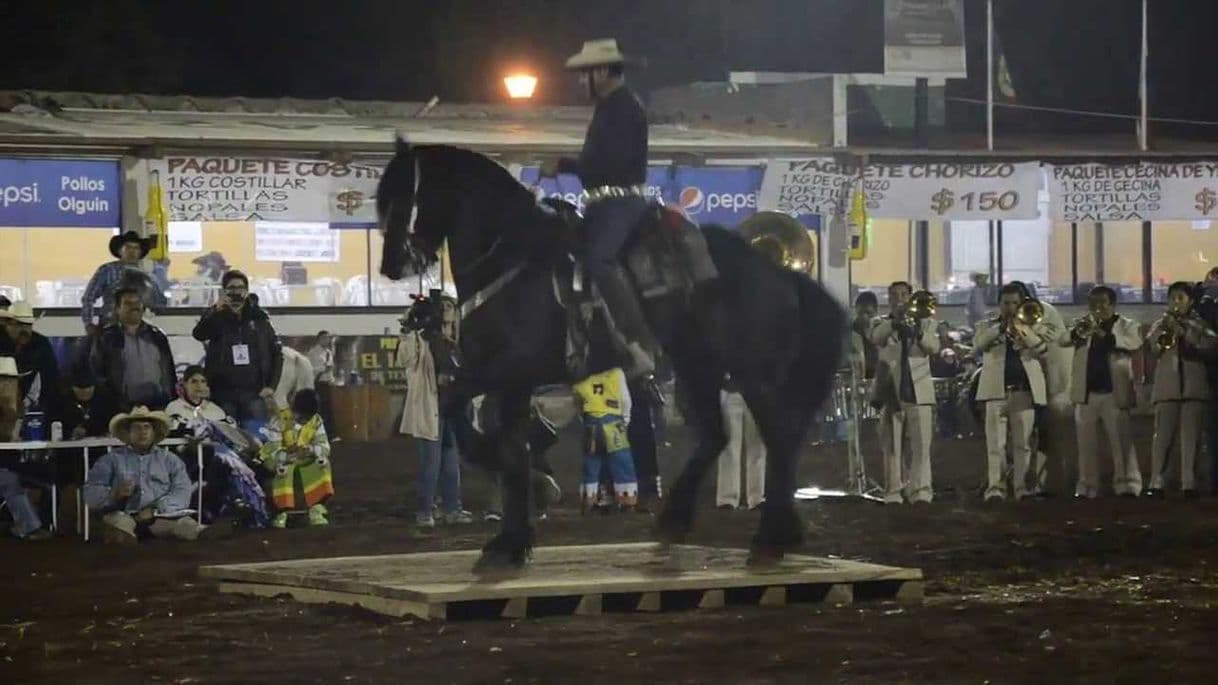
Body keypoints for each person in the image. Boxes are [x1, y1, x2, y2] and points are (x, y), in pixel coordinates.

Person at [543, 38, 657, 377]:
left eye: (586, 74)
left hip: (621, 203)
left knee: (598, 259)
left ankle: (640, 344)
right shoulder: (610, 107)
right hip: (603, 205)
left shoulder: (624, 107)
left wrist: (564, 164)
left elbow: (610, 163)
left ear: (604, 71)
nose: (581, 82)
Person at [83, 406, 215, 544]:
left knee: (186, 525)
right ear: (128, 433)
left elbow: (182, 491)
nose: (143, 432)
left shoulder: (170, 460)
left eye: (147, 427)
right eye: (137, 428)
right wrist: (114, 494)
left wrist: (155, 509)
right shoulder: (110, 460)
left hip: (161, 517)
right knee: (119, 528)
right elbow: (91, 492)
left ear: (154, 432)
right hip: (123, 514)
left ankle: (202, 533)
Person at [396, 295, 473, 528]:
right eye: (445, 307)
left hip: (451, 409)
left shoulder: (457, 341)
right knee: (431, 462)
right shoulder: (422, 341)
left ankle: (452, 508)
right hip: (431, 409)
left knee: (450, 462)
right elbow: (404, 359)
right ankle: (425, 511)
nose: (449, 310)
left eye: (451, 306)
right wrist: (408, 329)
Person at [1062, 286, 1144, 499]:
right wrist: (1078, 331)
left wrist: (1101, 332)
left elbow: (1133, 343)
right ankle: (1087, 486)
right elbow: (1062, 340)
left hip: (1114, 392)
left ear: (1112, 304)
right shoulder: (1083, 324)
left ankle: (1128, 484)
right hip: (1086, 392)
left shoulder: (1127, 324)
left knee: (1121, 441)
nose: (1096, 308)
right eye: (1092, 304)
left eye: (1101, 303)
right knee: (1086, 444)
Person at [974, 285, 1051, 502]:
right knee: (995, 445)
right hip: (994, 392)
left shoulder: (1033, 325)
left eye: (1014, 303)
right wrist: (1000, 329)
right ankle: (995, 489)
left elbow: (1042, 350)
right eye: (1006, 303)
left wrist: (1022, 330)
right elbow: (978, 346)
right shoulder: (986, 325)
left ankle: (1021, 488)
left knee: (1023, 444)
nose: (1010, 307)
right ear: (999, 304)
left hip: (1023, 392)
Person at [869, 281, 940, 504]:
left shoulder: (927, 323)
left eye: (903, 295)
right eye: (894, 295)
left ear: (910, 298)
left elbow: (932, 348)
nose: (898, 299)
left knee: (921, 444)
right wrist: (896, 320)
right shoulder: (880, 322)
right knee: (892, 445)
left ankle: (921, 490)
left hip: (919, 388)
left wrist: (917, 331)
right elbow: (877, 338)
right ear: (888, 299)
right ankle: (893, 491)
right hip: (891, 390)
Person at [1145, 282, 1217, 497]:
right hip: (1167, 388)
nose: (1176, 303)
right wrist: (1166, 329)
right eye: (1173, 298)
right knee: (1162, 439)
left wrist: (1184, 331)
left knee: (1191, 439)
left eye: (1181, 298)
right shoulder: (1160, 323)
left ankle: (1189, 483)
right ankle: (1156, 482)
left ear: (1190, 302)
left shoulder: (1200, 324)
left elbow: (1210, 344)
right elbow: (1154, 348)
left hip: (1194, 388)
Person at [191, 270, 282, 430]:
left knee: (258, 439)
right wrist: (215, 310)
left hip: (255, 393)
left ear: (246, 291)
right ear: (224, 291)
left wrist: (271, 386)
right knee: (226, 441)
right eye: (231, 288)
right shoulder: (217, 315)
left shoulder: (260, 318)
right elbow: (199, 334)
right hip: (223, 393)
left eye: (240, 288)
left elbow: (277, 354)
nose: (236, 293)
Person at [1007, 281, 1072, 498]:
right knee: (1029, 435)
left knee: (1047, 433)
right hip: (1037, 382)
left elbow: (1046, 342)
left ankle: (1046, 482)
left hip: (1055, 382)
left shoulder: (1043, 311)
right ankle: (1028, 480)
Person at [86, 286, 177, 411]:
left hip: (158, 407)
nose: (134, 307)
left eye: (137, 303)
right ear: (117, 309)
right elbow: (97, 374)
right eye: (128, 303)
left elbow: (170, 373)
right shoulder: (106, 338)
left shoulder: (157, 336)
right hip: (121, 409)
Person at [259, 389, 333, 528]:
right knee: (283, 469)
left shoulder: (316, 421)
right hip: (282, 461)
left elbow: (325, 447)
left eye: (307, 418)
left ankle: (316, 508)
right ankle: (281, 512)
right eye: (301, 417)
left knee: (322, 463)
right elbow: (270, 452)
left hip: (304, 459)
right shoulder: (278, 421)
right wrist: (288, 455)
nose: (304, 421)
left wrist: (310, 450)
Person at [573, 366, 638, 511]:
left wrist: (584, 419)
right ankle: (627, 500)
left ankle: (589, 499)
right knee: (622, 461)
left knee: (591, 462)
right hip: (613, 421)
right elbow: (625, 399)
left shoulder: (581, 374)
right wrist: (626, 419)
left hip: (591, 421)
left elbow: (577, 400)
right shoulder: (616, 372)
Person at [81, 230, 165, 333]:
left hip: (139, 327)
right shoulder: (107, 270)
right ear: (120, 251)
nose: (132, 251)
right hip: (110, 325)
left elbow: (160, 302)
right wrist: (88, 323)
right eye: (128, 247)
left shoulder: (147, 275)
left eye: (136, 248)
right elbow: (89, 297)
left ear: (140, 252)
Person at [0, 302, 59, 425]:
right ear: (7, 325)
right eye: (20, 324)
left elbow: (52, 379)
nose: (25, 330)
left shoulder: (41, 344)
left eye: (28, 325)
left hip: (31, 406)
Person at [715, 374, 765, 510]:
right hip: (734, 389)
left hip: (754, 389)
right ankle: (729, 497)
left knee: (756, 447)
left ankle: (755, 496)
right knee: (731, 446)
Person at [306, 330, 338, 434]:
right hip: (318, 383)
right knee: (320, 409)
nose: (327, 340)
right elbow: (310, 369)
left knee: (329, 409)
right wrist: (323, 369)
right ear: (319, 339)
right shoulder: (313, 352)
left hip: (328, 384)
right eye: (325, 338)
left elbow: (331, 369)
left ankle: (329, 433)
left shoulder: (328, 352)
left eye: (328, 338)